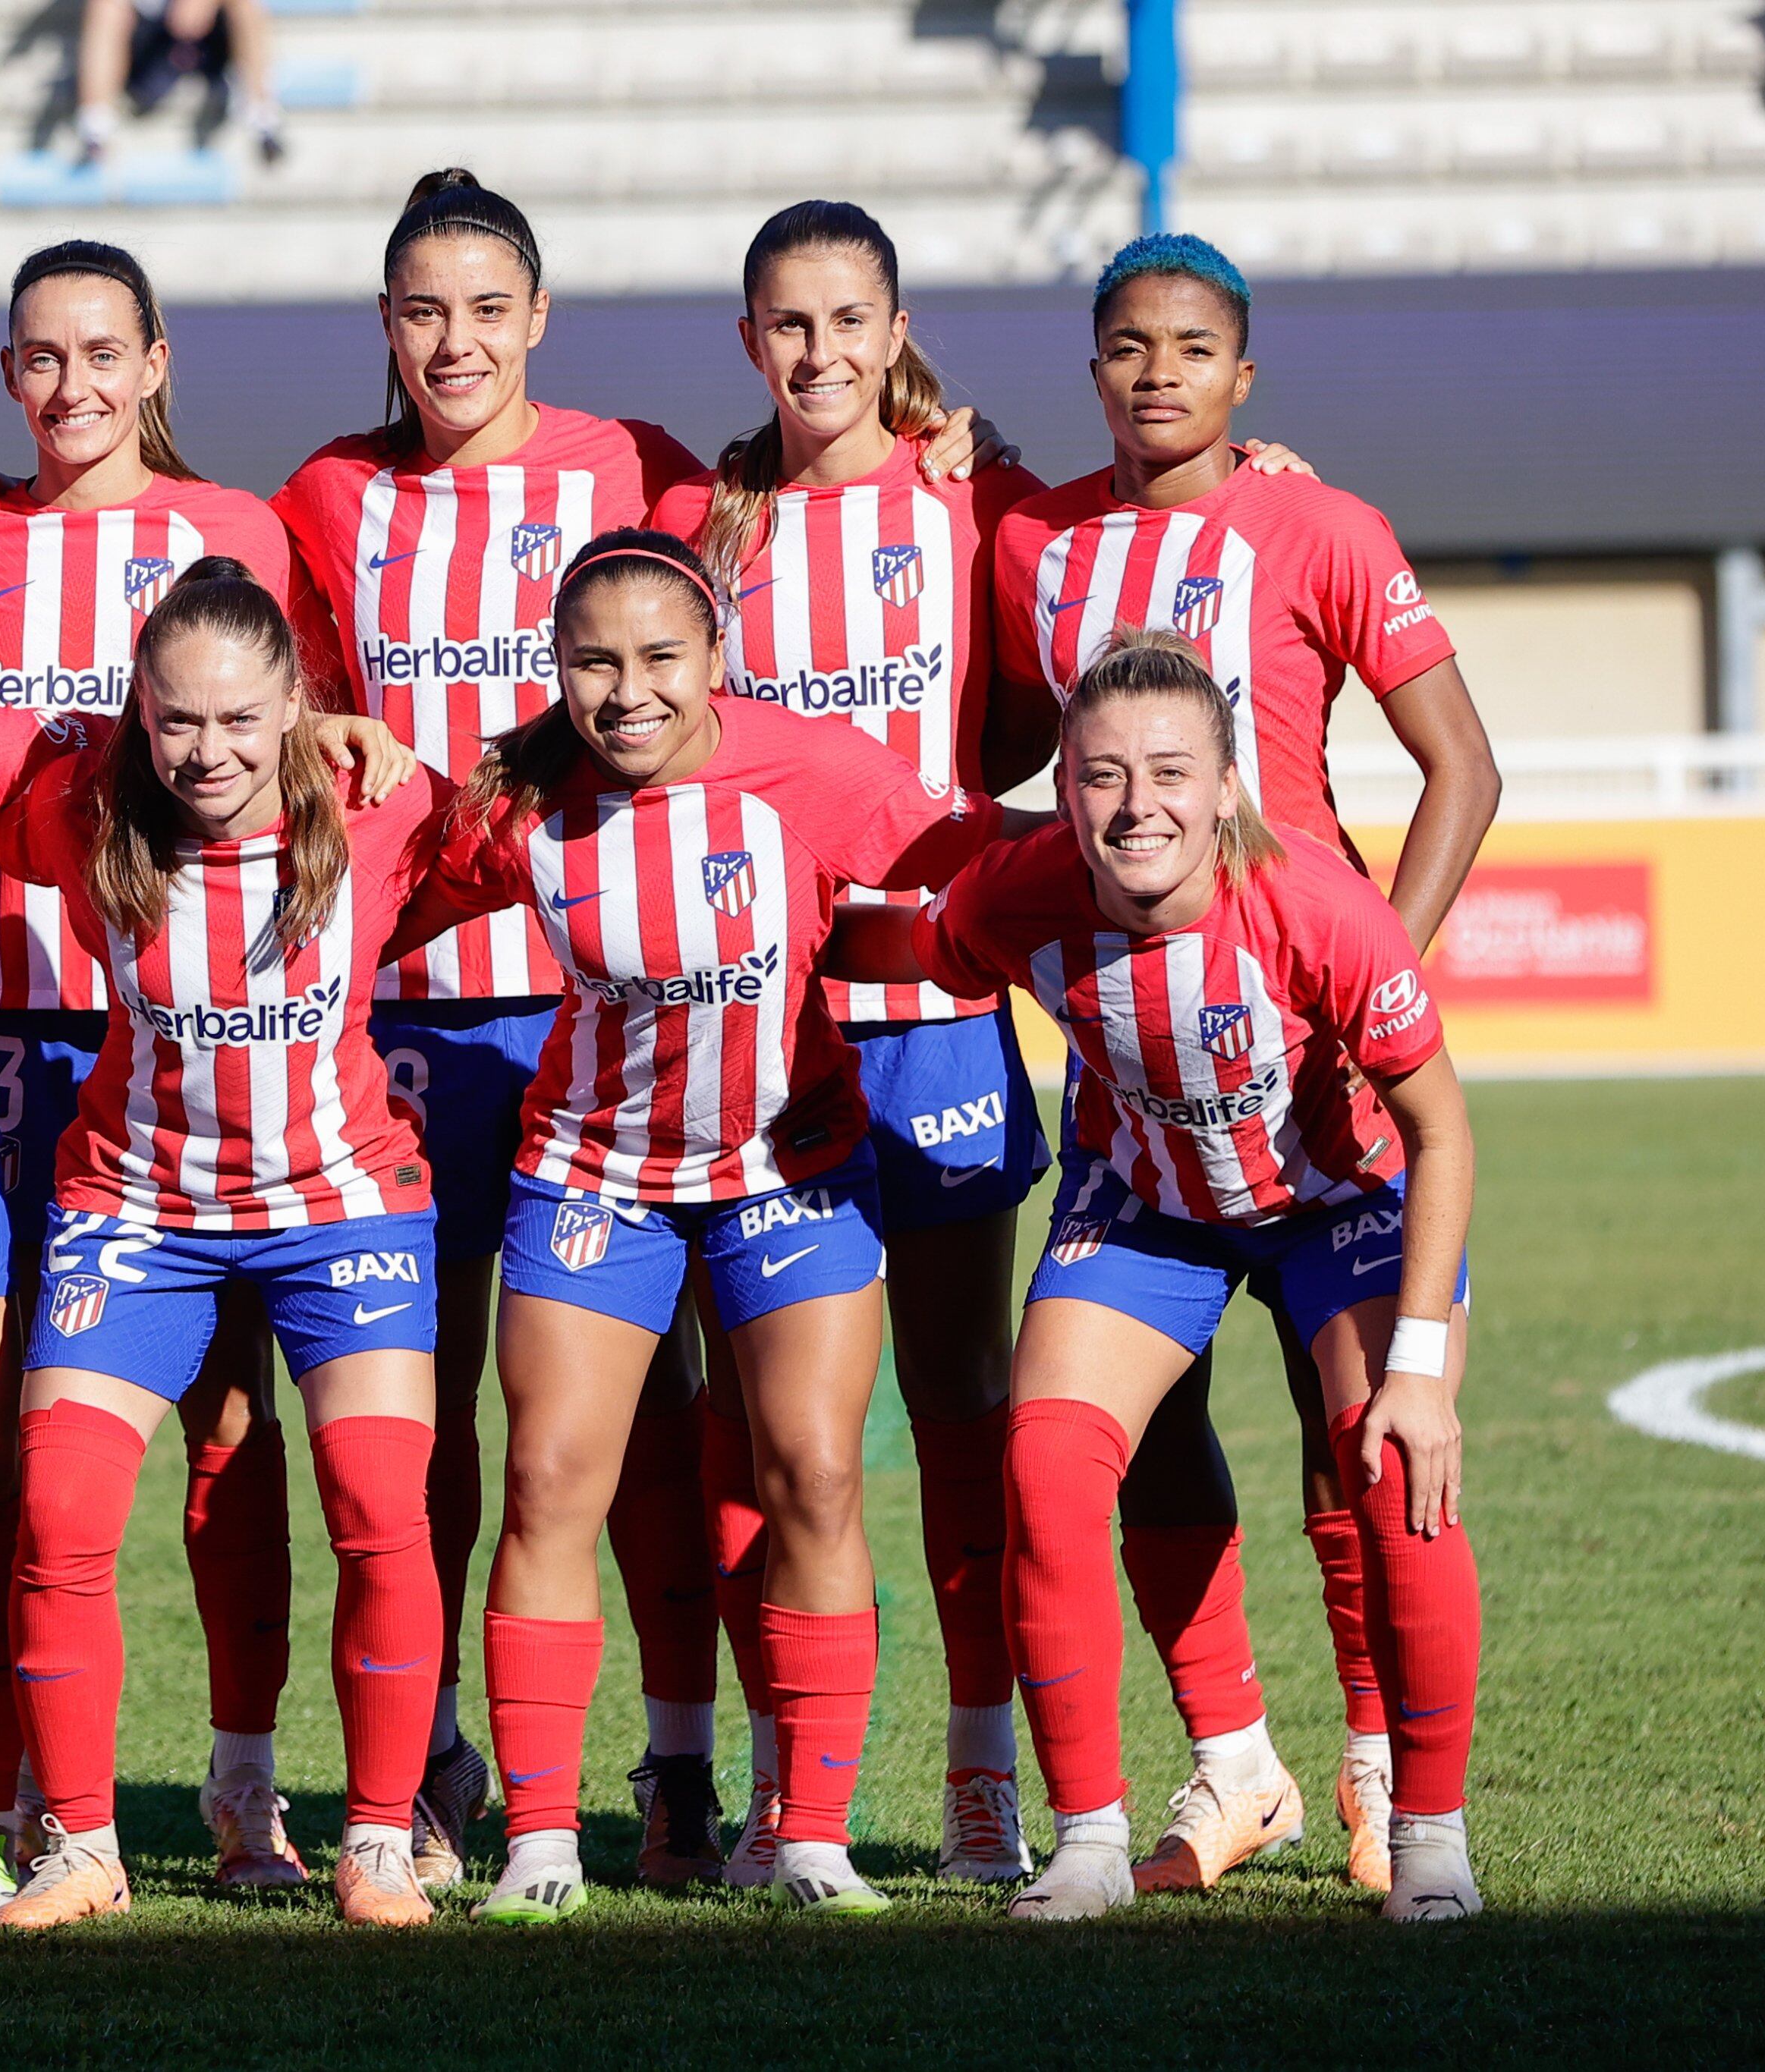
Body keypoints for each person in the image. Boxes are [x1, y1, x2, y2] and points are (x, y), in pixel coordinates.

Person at [271, 171, 999, 1888]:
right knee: (471, 1442)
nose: (454, 338)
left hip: (735, 1087)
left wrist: (939, 440)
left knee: (757, 1446)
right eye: (421, 307)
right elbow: (306, 736)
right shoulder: (328, 512)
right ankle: (461, 1783)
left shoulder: (650, 478)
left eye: (486, 305)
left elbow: (800, 483)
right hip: (459, 1050)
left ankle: (727, 1787)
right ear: (387, 325)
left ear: (539, 317)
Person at [647, 200, 1323, 1886]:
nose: (818, 354)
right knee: (760, 1430)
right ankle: (775, 1783)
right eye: (786, 325)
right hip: (747, 1021)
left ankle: (978, 1783)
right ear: (749, 341)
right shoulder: (691, 522)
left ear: (894, 330)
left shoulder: (980, 501)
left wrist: (1266, 480)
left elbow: (1120, 582)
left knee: (958, 1413)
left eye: (847, 320)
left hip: (935, 1016)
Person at [393, 530, 1016, 1922]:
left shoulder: (816, 767)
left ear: (716, 657)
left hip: (786, 1175)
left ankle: (809, 1836)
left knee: (813, 1473)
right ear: (556, 670)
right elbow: (377, 900)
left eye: (661, 658)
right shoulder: (525, 796)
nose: (628, 692)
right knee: (551, 1482)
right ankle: (543, 1845)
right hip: (590, 1178)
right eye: (594, 662)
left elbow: (965, 868)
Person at [992, 231, 1499, 1895]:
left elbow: (1459, 771)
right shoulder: (1032, 540)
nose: (1156, 373)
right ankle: (1231, 1764)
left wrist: (1364, 987)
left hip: (1315, 1084)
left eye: (1191, 347)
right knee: (1122, 1440)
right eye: (1124, 346)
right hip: (1135, 1098)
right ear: (1089, 368)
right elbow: (983, 743)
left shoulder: (1317, 522)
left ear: (1242, 373)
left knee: (1350, 1443)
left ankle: (1380, 1772)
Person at [832, 627, 1482, 1924]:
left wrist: (1420, 1368)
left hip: (1335, 1203)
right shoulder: (1018, 893)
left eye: (1172, 772)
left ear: (1229, 785)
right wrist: (757, 952)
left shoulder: (1320, 911)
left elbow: (1441, 1131)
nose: (1138, 807)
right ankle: (1087, 1841)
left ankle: (1429, 1837)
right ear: (1065, 791)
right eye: (1103, 776)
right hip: (1148, 1205)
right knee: (1044, 1461)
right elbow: (903, 952)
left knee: (1395, 1467)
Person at [0, 239, 318, 1889]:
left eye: (98, 352)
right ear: (7, 375)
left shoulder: (237, 537)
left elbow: (308, 767)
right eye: (36, 357)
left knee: (228, 1419)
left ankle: (240, 1784)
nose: (68, 386)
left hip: (195, 1042)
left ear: (153, 362)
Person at [0, 559, 445, 1931]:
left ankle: (374, 1841)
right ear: (136, 711)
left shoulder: (385, 802)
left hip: (338, 1204)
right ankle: (79, 1847)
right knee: (59, 1514)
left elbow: (524, 816)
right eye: (178, 720)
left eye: (244, 720)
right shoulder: (85, 807)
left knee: (377, 1507)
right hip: (138, 1208)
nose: (210, 751)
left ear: (300, 704)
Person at [74, 0, 283, 166]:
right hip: (151, 41)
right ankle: (95, 125)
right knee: (106, 6)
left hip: (209, 40)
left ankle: (262, 115)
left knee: (245, 6)